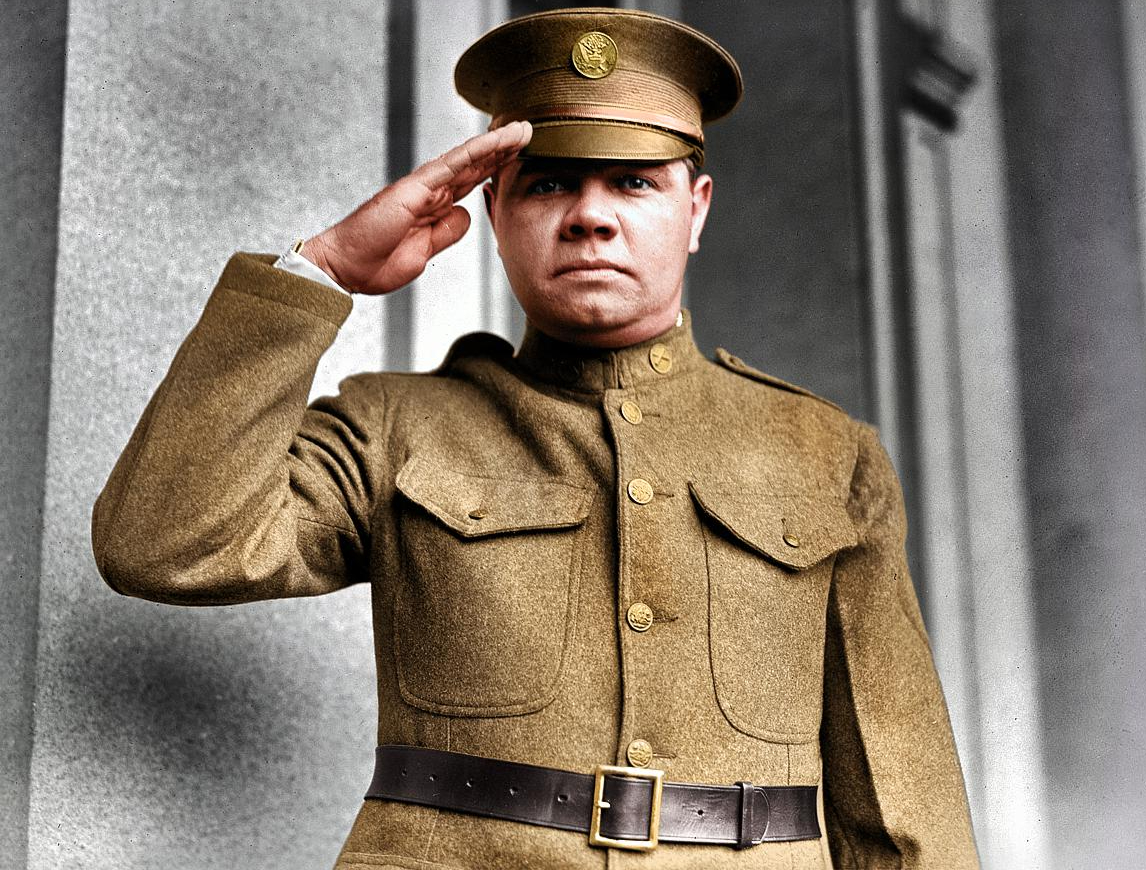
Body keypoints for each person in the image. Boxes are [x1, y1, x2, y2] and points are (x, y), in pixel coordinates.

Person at [92, 7, 979, 869]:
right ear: (494, 211)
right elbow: (164, 544)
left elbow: (900, 798)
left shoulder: (824, 452)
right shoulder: (394, 428)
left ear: (697, 208)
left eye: (634, 181)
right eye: (550, 181)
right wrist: (318, 273)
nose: (591, 216)